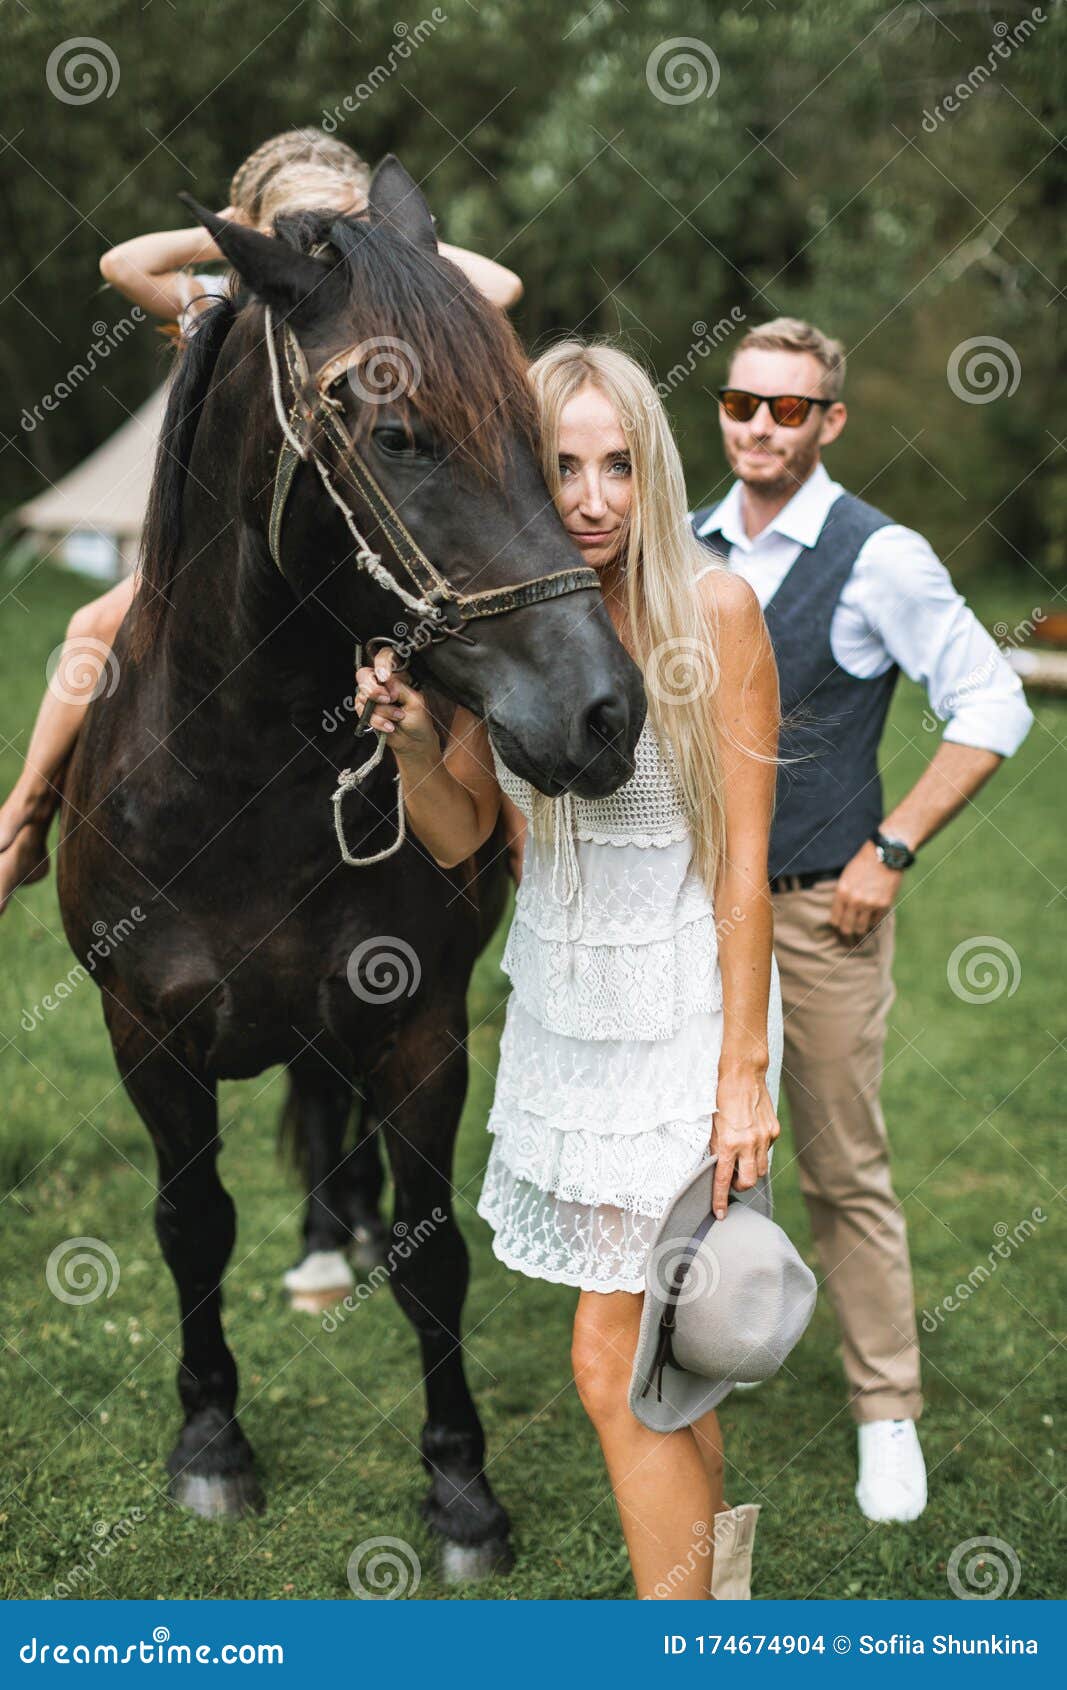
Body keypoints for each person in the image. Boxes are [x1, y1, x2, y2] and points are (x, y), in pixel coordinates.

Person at [354, 341, 785, 1600]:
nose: (592, 497)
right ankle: (721, 1612)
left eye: (616, 465)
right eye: (562, 468)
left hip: (679, 1028)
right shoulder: (509, 622)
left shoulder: (712, 614)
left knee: (611, 1362)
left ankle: (675, 1641)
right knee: (669, 1356)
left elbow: (748, 872)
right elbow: (463, 835)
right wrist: (410, 742)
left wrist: (742, 1073)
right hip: (559, 1017)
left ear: (649, 470)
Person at [691, 316, 1034, 1524]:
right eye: (743, 403)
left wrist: (890, 847)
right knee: (681, 1159)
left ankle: (886, 1415)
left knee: (840, 1167)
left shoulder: (877, 556)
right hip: (689, 921)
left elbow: (992, 703)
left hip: (810, 917)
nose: (760, 427)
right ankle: (685, 1379)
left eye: (790, 409)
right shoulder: (681, 545)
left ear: (828, 421)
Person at [0, 129, 522, 912]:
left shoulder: (368, 312)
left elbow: (501, 284)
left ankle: (505, 838)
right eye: (294, 226)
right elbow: (122, 265)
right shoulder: (222, 300)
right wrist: (234, 221)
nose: (310, 242)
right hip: (216, 547)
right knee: (93, 622)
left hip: (336, 539)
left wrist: (382, 239)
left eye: (330, 223)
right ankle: (26, 812)